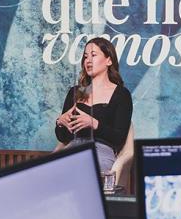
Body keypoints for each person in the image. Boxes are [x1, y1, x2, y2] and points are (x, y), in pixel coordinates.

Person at [53, 37, 133, 176]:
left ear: (109, 60)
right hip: (73, 148)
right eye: (85, 57)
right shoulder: (75, 92)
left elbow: (119, 138)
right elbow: (63, 138)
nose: (88, 60)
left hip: (101, 151)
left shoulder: (121, 94)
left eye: (93, 55)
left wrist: (94, 123)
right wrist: (60, 123)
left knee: (83, 172)